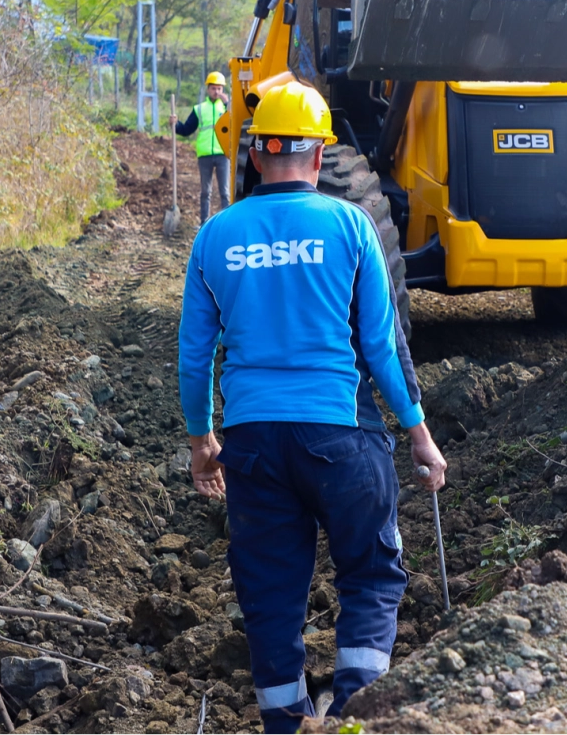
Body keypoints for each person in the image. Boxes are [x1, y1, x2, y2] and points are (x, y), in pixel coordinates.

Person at [176, 82, 447, 734]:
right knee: (371, 569)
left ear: (256, 153)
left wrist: (201, 442)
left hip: (253, 442)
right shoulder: (349, 225)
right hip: (340, 435)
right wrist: (418, 432)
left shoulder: (216, 236)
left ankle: (288, 721)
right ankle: (355, 710)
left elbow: (193, 357)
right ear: (319, 156)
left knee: (269, 588)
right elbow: (382, 345)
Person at [174, 71, 230, 222]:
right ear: (208, 89)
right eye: (213, 88)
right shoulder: (199, 109)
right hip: (204, 154)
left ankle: (227, 222)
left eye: (219, 88)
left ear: (223, 90)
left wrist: (227, 104)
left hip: (223, 153)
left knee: (225, 192)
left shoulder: (228, 108)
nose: (216, 91)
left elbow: (237, 122)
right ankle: (204, 222)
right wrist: (175, 125)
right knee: (206, 191)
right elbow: (186, 129)